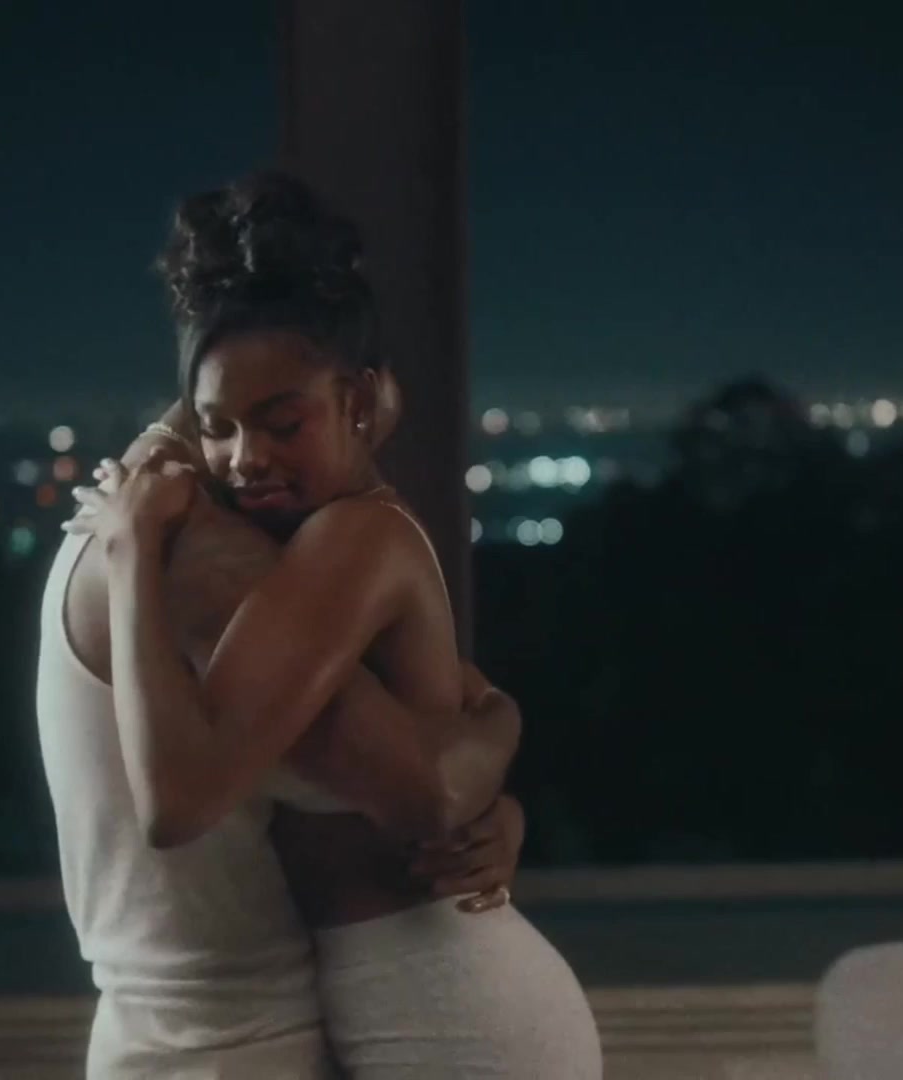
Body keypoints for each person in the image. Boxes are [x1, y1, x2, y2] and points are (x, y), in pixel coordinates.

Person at [67, 170, 602, 1077]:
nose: (246, 460)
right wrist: (499, 769)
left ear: (360, 401)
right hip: (407, 1003)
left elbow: (179, 800)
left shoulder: (353, 542)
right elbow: (461, 721)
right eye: (219, 429)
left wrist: (129, 553)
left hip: (454, 1011)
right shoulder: (306, 558)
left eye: (283, 424)